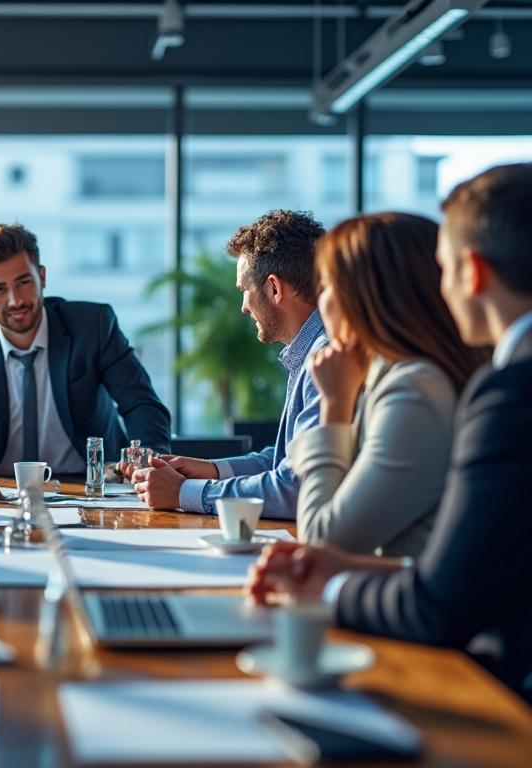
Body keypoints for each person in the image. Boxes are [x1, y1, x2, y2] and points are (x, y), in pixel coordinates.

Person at [246, 164, 532, 703]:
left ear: (471, 273)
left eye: (327, 287)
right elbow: (456, 568)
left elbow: (330, 536)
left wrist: (333, 407)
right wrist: (340, 566)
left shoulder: (429, 390)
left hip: (473, 675)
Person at [0, 223, 171, 480]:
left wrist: (147, 457)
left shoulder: (93, 326)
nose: (15, 300)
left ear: (42, 277)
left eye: (24, 282)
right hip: (0, 493)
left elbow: (140, 403)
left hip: (92, 487)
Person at [291, 212, 486, 555]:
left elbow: (322, 539)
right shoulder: (389, 379)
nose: (321, 305)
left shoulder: (414, 390)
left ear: (363, 297)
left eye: (326, 287)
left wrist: (334, 406)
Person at [131, 210, 326, 519]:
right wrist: (211, 470)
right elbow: (284, 461)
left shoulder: (325, 360)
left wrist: (184, 493)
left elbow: (294, 487)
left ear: (274, 288)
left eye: (244, 291)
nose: (244, 307)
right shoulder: (311, 351)